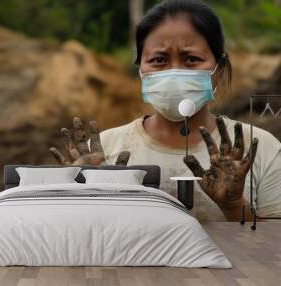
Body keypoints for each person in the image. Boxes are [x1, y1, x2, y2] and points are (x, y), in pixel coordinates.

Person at [49, 0, 281, 221]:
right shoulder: (103, 151)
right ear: (141, 70)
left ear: (218, 70)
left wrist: (233, 205)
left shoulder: (260, 150)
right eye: (159, 60)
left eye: (191, 59)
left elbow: (273, 251)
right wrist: (81, 196)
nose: (174, 72)